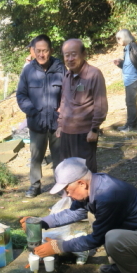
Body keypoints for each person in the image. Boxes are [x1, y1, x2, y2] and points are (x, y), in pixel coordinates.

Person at [23, 157, 137, 273]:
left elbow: (96, 239)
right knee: (93, 216)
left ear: (81, 183)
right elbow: (73, 213)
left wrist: (58, 246)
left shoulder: (108, 196)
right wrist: (39, 222)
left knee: (113, 238)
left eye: (67, 190)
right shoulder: (93, 186)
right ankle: (120, 264)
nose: (66, 194)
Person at [16, 35, 65, 197]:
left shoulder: (60, 68)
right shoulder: (28, 70)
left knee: (59, 156)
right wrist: (32, 112)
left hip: (57, 122)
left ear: (51, 50)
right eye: (38, 51)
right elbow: (21, 95)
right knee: (36, 156)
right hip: (36, 122)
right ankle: (35, 185)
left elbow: (68, 93)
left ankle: (61, 184)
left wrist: (62, 112)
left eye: (45, 51)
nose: (41, 54)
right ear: (33, 51)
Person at [56, 39, 108, 173]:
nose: (70, 59)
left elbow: (100, 104)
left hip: (84, 133)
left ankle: (91, 188)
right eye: (67, 55)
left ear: (83, 54)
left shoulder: (94, 74)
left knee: (85, 172)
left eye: (74, 54)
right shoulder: (67, 76)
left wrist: (94, 129)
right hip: (66, 132)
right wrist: (60, 124)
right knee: (68, 171)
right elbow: (64, 102)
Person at [113, 29, 137, 132]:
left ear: (125, 37)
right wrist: (120, 63)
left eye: (119, 38)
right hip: (128, 80)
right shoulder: (127, 48)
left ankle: (132, 126)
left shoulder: (134, 47)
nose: (118, 41)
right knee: (129, 102)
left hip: (133, 80)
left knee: (131, 103)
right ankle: (128, 124)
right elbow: (129, 65)